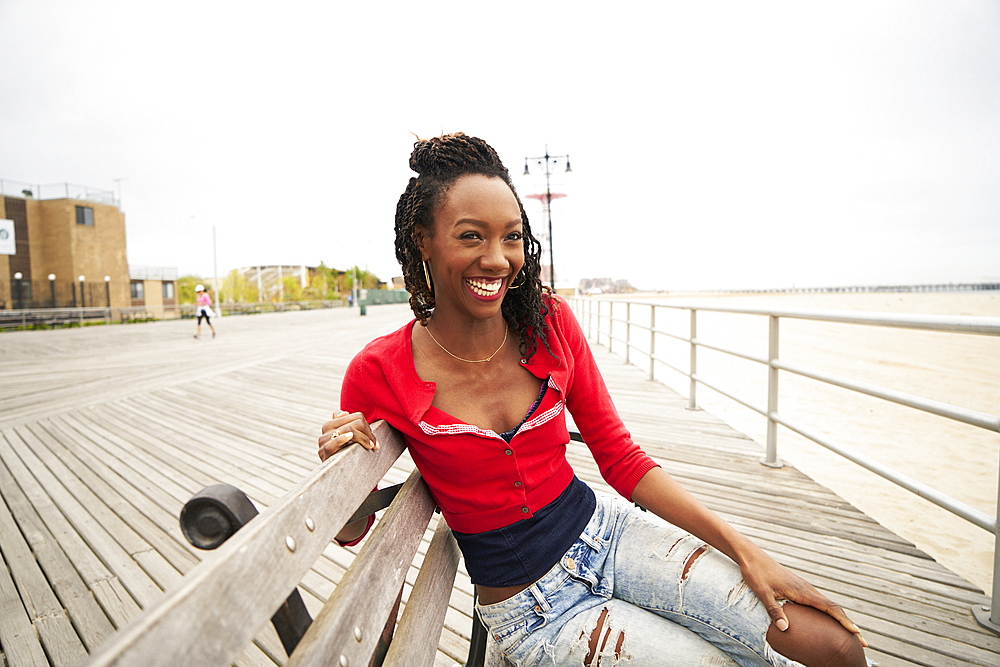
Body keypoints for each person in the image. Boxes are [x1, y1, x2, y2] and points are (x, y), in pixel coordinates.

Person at [320, 133, 868, 667]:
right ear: (422, 241)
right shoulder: (379, 371)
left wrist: (744, 550)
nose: (497, 258)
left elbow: (621, 458)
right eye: (470, 236)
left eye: (511, 236)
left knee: (834, 645)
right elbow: (350, 532)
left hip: (608, 534)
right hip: (533, 614)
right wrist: (340, 465)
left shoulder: (549, 324)